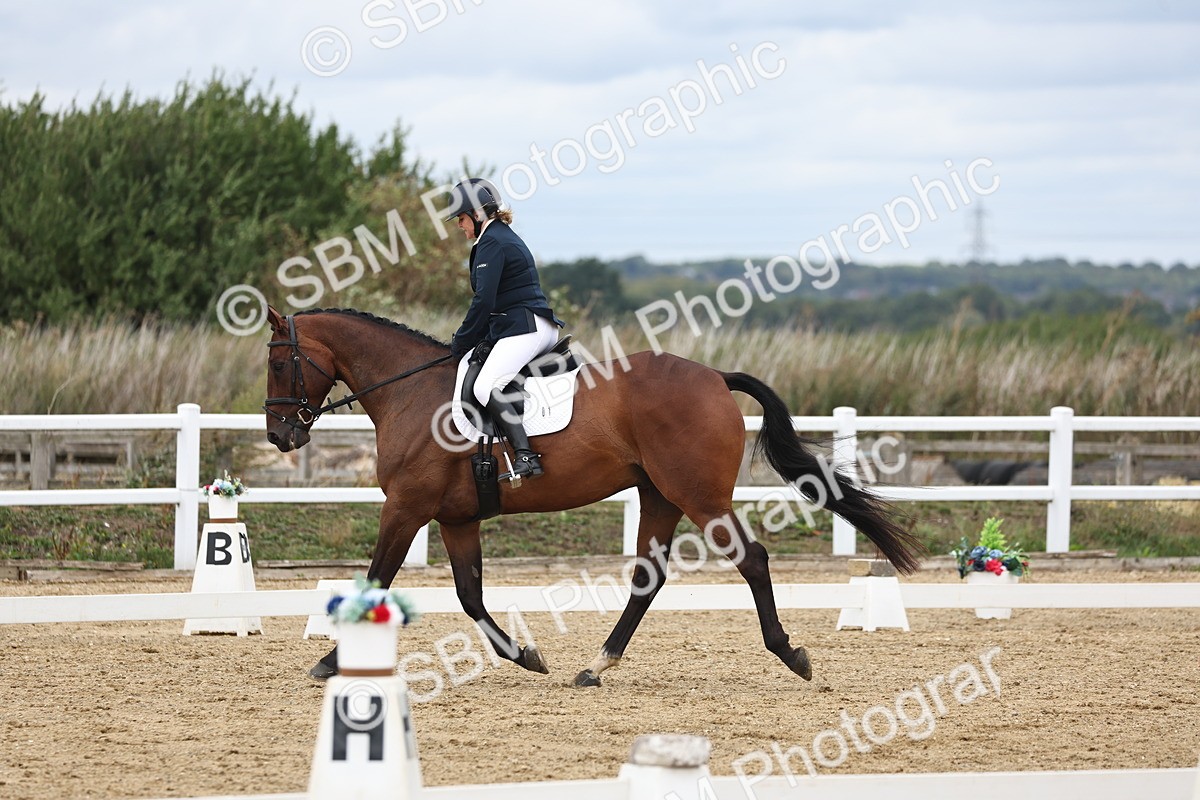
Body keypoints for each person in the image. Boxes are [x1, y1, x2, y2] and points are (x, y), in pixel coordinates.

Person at [444, 178, 564, 478]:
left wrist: (461, 341)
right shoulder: (497, 236)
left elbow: (484, 301)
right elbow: (498, 300)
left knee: (485, 386)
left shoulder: (492, 242)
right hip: (527, 324)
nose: (459, 225)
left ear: (477, 214)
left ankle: (526, 456)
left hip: (526, 327)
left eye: (461, 218)